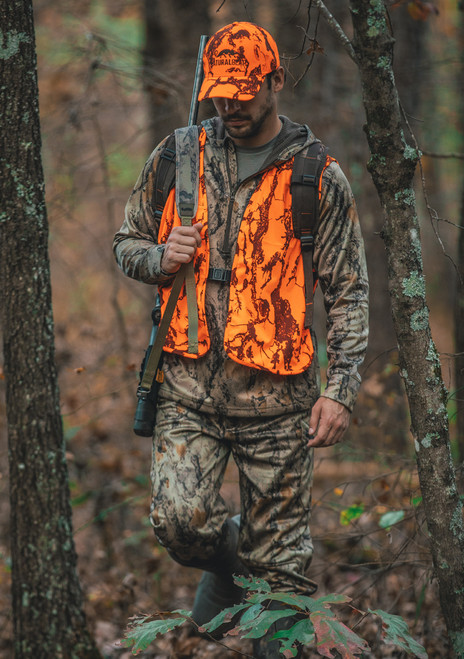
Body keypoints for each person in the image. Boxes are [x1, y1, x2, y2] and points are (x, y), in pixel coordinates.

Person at [113, 21, 369, 658]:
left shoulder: (317, 176)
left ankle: (262, 584)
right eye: (219, 93)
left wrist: (339, 392)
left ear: (276, 81)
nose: (229, 107)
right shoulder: (178, 156)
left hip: (280, 407)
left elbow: (349, 293)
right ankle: (236, 562)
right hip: (188, 392)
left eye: (243, 94)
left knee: (280, 590)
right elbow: (126, 242)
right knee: (177, 523)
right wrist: (158, 258)